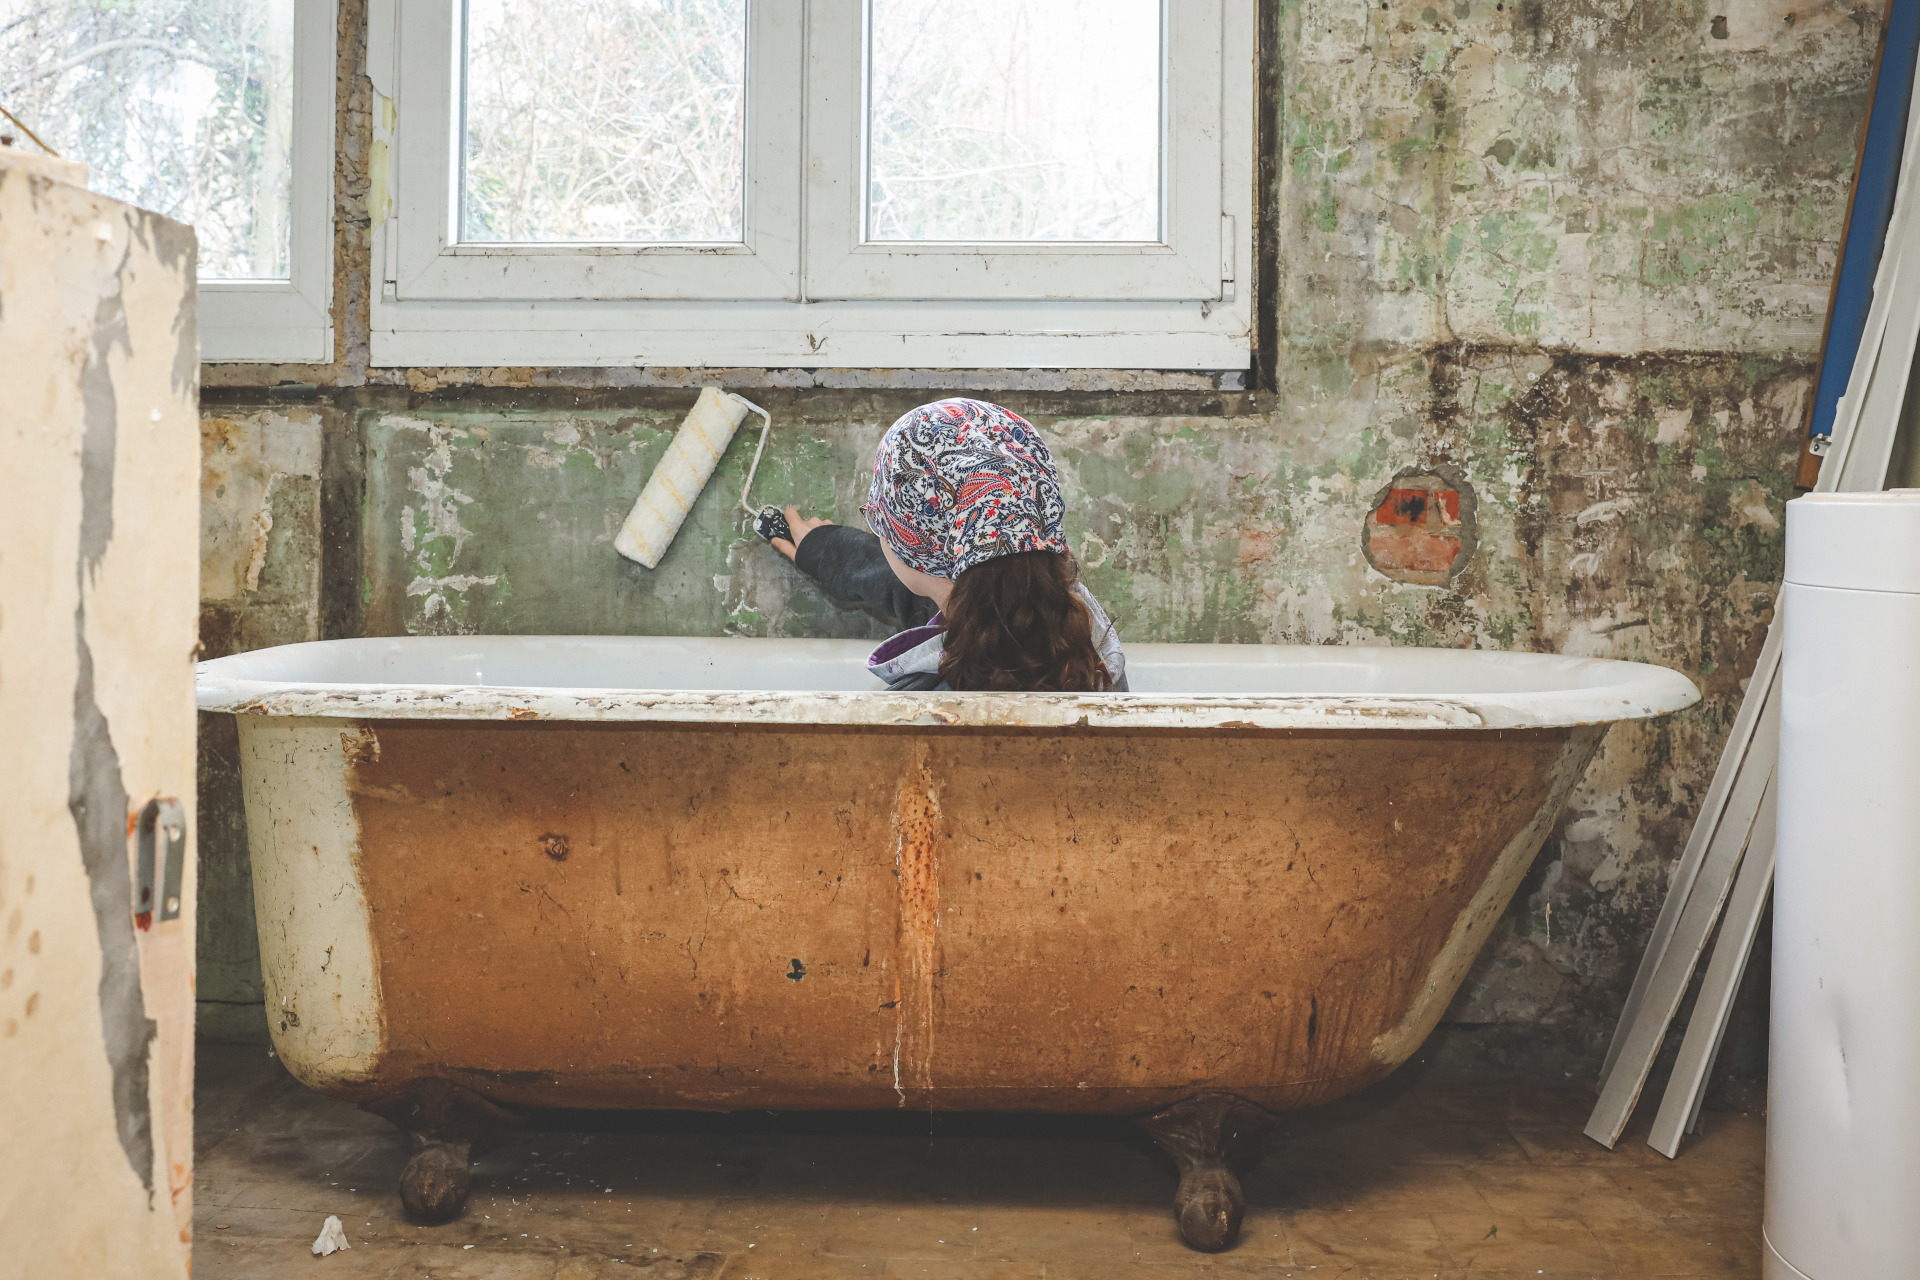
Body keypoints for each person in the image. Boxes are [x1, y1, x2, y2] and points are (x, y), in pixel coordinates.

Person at [770, 398, 1126, 692]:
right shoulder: (1082, 643)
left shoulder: (922, 703)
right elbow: (922, 584)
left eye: (881, 522)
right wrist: (828, 551)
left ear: (912, 548)